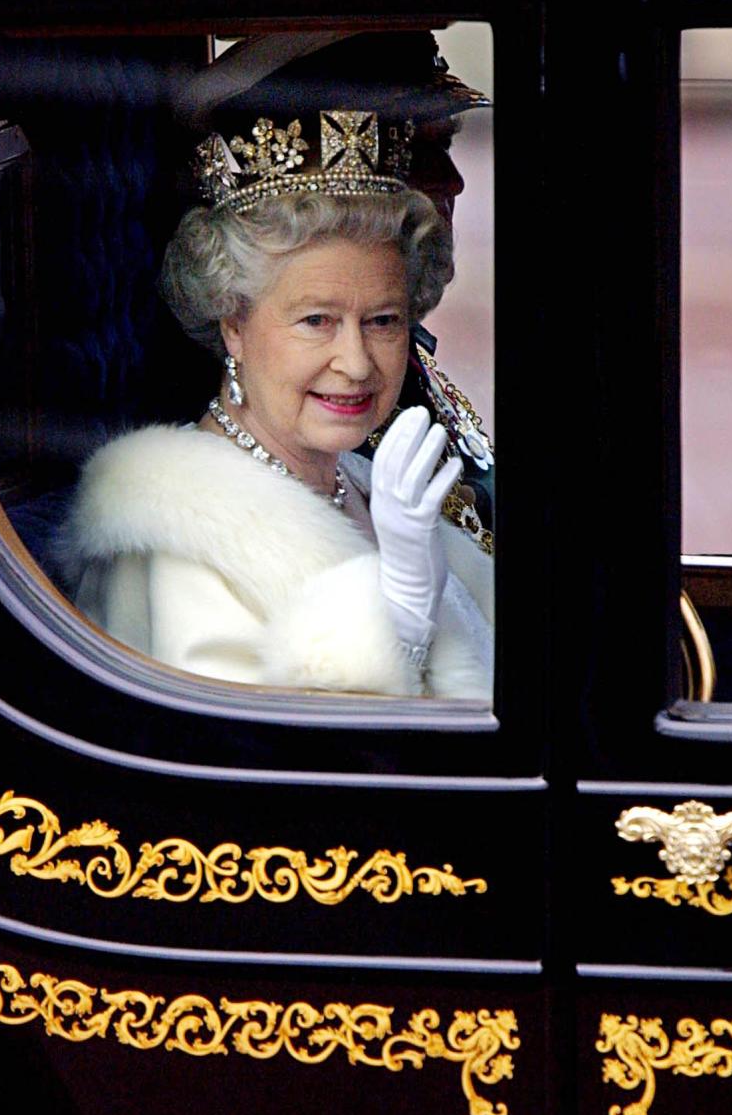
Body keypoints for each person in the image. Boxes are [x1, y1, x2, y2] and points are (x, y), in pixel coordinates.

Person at [64, 103, 492, 698]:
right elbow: (267, 774)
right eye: (317, 320)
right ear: (232, 323)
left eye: (383, 320)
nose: (357, 362)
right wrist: (396, 629)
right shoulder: (175, 534)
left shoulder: (365, 483)